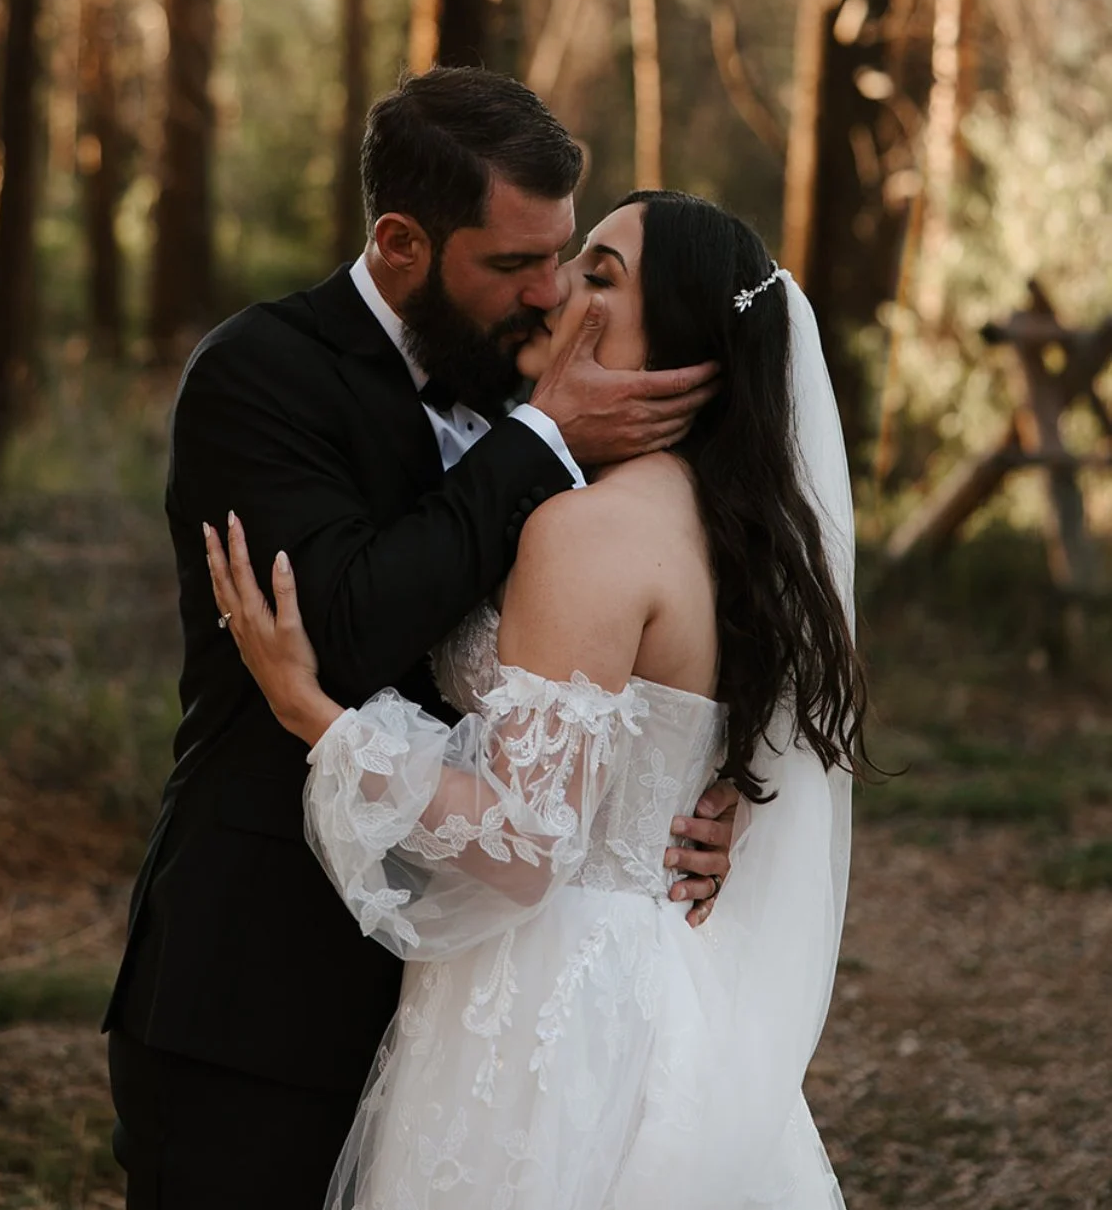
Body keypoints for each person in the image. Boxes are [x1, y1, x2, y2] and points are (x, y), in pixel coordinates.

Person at [105, 70, 733, 1209]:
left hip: (475, 1006)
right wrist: (542, 437)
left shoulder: (544, 394)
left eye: (561, 255)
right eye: (512, 264)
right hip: (264, 985)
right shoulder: (260, 374)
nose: (549, 295)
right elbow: (341, 627)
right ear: (399, 240)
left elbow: (639, 639)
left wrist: (688, 790)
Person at [207, 187, 863, 1210]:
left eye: (601, 274)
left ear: (679, 338)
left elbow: (521, 843)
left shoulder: (588, 530)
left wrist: (316, 715)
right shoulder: (719, 522)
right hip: (649, 982)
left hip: (546, 1010)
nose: (557, 291)